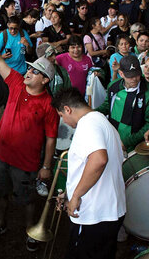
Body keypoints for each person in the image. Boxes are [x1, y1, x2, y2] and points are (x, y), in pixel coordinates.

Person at [0, 23, 58, 251]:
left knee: (28, 200)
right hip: (1, 155)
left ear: (45, 80)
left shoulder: (49, 106)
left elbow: (51, 138)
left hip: (27, 163)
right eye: (29, 69)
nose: (28, 72)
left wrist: (47, 166)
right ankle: (0, 223)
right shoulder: (16, 83)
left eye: (35, 71)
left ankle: (31, 230)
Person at [52, 88, 126, 259]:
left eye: (61, 116)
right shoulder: (102, 122)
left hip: (95, 214)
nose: (63, 120)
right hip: (108, 210)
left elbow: (99, 159)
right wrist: (70, 193)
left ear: (67, 109)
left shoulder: (88, 124)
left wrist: (76, 195)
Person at [96, 56, 149, 152]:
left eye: (137, 74)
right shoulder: (113, 86)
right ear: (121, 73)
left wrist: (127, 142)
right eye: (130, 76)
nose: (134, 79)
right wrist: (89, 113)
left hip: (136, 147)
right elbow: (107, 106)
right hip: (112, 140)